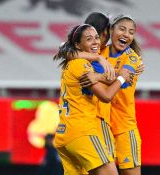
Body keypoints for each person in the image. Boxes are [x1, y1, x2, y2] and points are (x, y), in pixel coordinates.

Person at [53, 24, 133, 175]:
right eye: (89, 39)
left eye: (96, 37)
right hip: (82, 132)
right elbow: (106, 96)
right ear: (77, 45)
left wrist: (109, 73)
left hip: (65, 134)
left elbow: (103, 78)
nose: (96, 42)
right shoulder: (81, 64)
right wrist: (121, 77)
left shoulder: (72, 63)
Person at [80, 14, 143, 175]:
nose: (126, 34)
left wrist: (97, 76)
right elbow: (70, 51)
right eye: (122, 29)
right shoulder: (100, 51)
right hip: (102, 123)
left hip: (124, 125)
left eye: (131, 32)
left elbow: (124, 78)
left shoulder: (132, 58)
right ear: (111, 30)